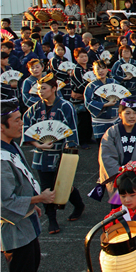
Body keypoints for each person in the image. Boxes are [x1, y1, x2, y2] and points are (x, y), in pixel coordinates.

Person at [23, 74, 83, 234]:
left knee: (64, 185)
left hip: (61, 152)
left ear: (54, 89)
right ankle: (52, 219)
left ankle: (79, 205)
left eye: (44, 88)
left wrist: (70, 150)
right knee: (46, 187)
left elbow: (71, 129)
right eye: (39, 89)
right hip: (42, 152)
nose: (40, 91)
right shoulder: (34, 109)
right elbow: (27, 129)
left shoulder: (65, 106)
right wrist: (38, 144)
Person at [1, 101, 57, 272]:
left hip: (25, 220)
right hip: (14, 230)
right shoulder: (1, 159)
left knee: (32, 263)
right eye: (16, 120)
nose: (21, 124)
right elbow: (4, 203)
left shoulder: (11, 145)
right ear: (2, 126)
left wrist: (31, 205)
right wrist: (38, 198)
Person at [83, 60, 120, 140]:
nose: (101, 71)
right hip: (100, 121)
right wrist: (105, 105)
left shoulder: (114, 82)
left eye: (103, 68)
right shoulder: (91, 86)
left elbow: (122, 96)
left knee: (117, 146)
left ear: (107, 69)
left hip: (115, 119)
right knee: (102, 147)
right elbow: (88, 103)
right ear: (94, 72)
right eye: (98, 69)